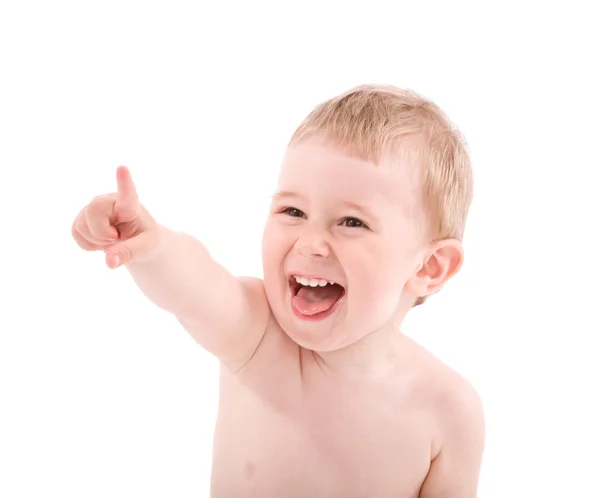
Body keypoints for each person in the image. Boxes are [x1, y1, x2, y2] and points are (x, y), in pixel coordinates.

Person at [71, 84, 485, 497]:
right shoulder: (258, 334)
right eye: (293, 211)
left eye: (351, 222)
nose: (309, 243)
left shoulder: (450, 413)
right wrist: (153, 244)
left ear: (429, 267)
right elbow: (195, 286)